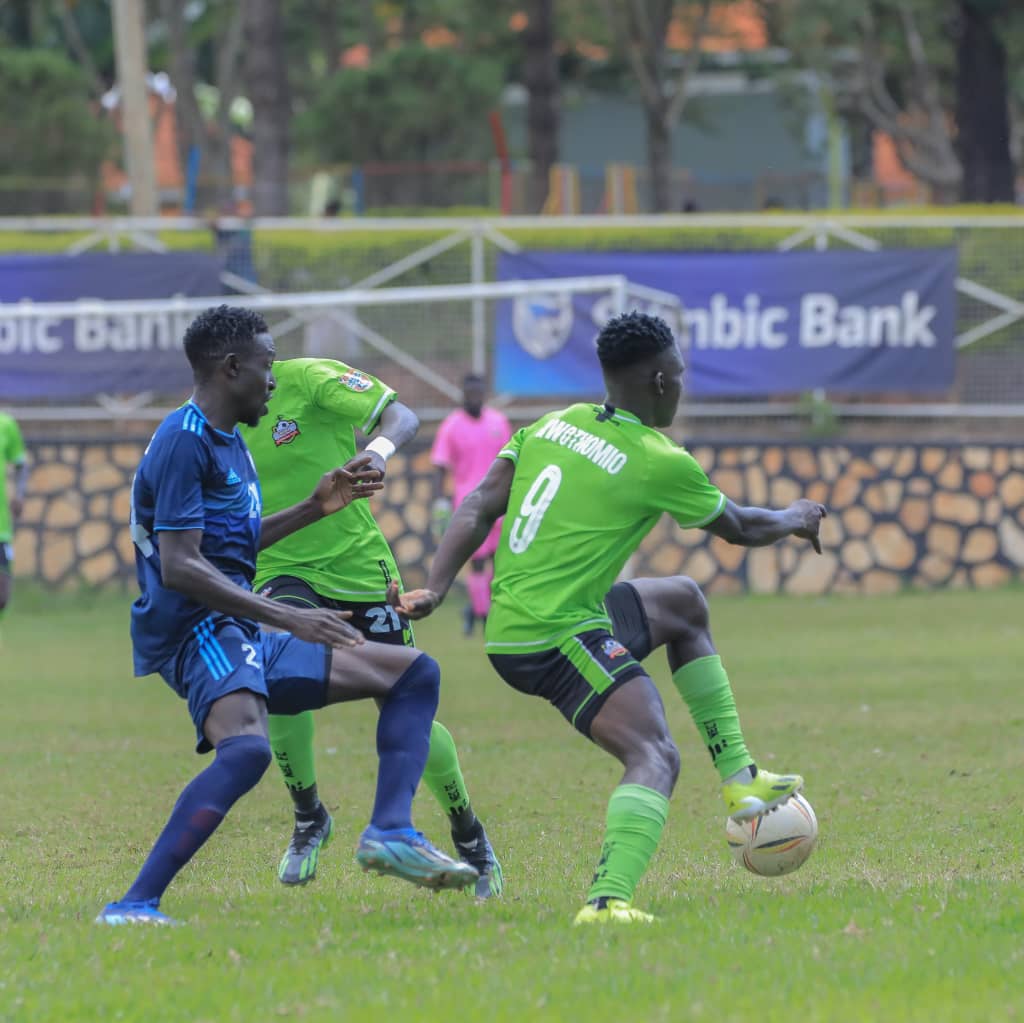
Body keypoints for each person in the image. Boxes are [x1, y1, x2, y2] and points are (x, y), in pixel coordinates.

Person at [391, 311, 825, 925]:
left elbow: (481, 502)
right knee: (654, 754)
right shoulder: (657, 457)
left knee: (682, 602)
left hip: (524, 620)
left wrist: (436, 588)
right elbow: (741, 526)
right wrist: (796, 516)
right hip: (551, 635)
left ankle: (741, 778)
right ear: (655, 380)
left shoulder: (554, 424)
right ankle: (606, 902)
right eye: (676, 374)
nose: (680, 385)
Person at [97, 306, 478, 927]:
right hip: (195, 632)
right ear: (230, 368)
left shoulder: (227, 442)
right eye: (266, 366)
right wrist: (289, 617)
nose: (274, 379)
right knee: (246, 751)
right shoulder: (182, 441)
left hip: (233, 622)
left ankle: (389, 831)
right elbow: (181, 567)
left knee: (412, 674)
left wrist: (315, 507)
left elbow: (234, 543)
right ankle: (133, 903)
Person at [240, 356, 502, 897]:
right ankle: (310, 814)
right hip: (280, 569)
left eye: (269, 354)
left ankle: (468, 834)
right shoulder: (213, 417)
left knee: (405, 696)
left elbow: (401, 416)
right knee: (280, 680)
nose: (266, 367)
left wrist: (375, 452)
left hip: (360, 569)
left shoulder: (309, 378)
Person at [431, 374, 511, 635]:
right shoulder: (451, 426)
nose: (475, 397)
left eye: (479, 393)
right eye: (470, 393)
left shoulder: (498, 422)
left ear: (484, 393)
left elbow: (512, 459)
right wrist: (439, 500)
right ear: (463, 394)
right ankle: (484, 615)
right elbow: (440, 465)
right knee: (476, 561)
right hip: (469, 504)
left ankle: (480, 609)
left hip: (500, 500)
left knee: (498, 560)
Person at [0, 410, 28, 628]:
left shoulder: (6, 424)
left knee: (2, 595)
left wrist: (19, 495)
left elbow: (21, 464)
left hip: (1, 528)